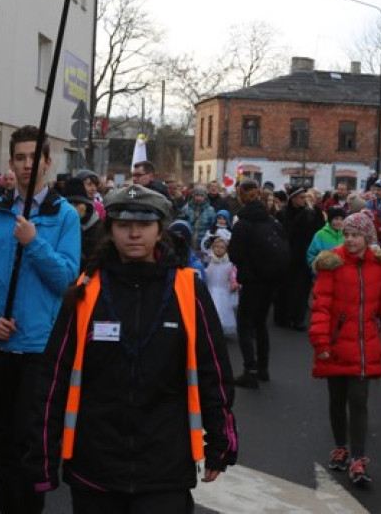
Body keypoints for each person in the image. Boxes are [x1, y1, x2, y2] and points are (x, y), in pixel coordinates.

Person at [27, 184, 238, 513]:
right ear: (110, 231)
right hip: (95, 465)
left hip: (165, 466)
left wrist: (222, 440)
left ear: (160, 231)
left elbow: (214, 371)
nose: (134, 234)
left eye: (144, 225)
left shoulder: (188, 290)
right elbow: (54, 375)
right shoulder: (85, 291)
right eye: (124, 225)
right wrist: (43, 452)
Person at [0, 125, 80, 514]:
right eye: (20, 158)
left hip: (41, 347)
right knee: (4, 442)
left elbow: (66, 280)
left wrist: (34, 242)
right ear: (10, 163)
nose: (27, 165)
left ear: (47, 162)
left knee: (32, 443)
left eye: (34, 157)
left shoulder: (65, 215)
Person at [309, 210, 381, 487]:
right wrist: (321, 341)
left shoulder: (378, 267)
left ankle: (358, 457)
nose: (350, 239)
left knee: (358, 400)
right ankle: (340, 447)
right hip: (335, 344)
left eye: (356, 235)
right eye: (346, 234)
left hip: (364, 344)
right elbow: (321, 305)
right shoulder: (331, 264)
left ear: (368, 237)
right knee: (337, 400)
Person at [229, 179, 289, 388]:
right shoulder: (271, 221)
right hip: (271, 280)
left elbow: (235, 255)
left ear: (241, 196)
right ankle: (263, 368)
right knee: (261, 324)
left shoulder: (243, 224)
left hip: (252, 280)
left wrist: (248, 264)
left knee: (245, 325)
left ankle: (250, 370)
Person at [274, 187, 323, 331]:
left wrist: (315, 212)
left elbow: (317, 229)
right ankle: (283, 317)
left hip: (304, 256)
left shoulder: (310, 212)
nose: (304, 200)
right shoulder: (283, 213)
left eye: (305, 197)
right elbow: (285, 231)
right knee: (286, 288)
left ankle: (298, 318)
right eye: (301, 197)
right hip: (288, 256)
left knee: (302, 289)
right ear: (293, 199)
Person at [62, 176, 104, 269]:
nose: (73, 208)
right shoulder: (58, 228)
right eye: (69, 204)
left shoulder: (99, 228)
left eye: (77, 204)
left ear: (86, 205)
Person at [201, 228, 237, 336]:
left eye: (222, 247)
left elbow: (233, 277)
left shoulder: (229, 264)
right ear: (213, 247)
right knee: (210, 311)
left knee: (222, 312)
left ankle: (219, 331)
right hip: (210, 290)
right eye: (216, 247)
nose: (219, 249)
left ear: (226, 249)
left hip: (223, 292)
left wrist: (234, 284)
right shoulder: (208, 261)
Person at [180, 189, 215, 255]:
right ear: (193, 196)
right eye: (197, 195)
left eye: (201, 196)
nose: (199, 197)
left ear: (205, 197)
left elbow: (213, 227)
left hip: (203, 246)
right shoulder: (186, 209)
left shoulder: (210, 210)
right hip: (189, 245)